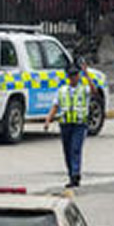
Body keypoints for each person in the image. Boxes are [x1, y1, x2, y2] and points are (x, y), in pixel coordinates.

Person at [44, 58, 94, 188]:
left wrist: (87, 74)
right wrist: (48, 120)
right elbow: (55, 106)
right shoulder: (62, 90)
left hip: (79, 124)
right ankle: (71, 173)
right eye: (71, 75)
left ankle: (75, 175)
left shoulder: (84, 89)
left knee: (75, 149)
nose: (74, 78)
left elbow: (94, 91)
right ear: (68, 77)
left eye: (76, 75)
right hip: (65, 124)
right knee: (67, 151)